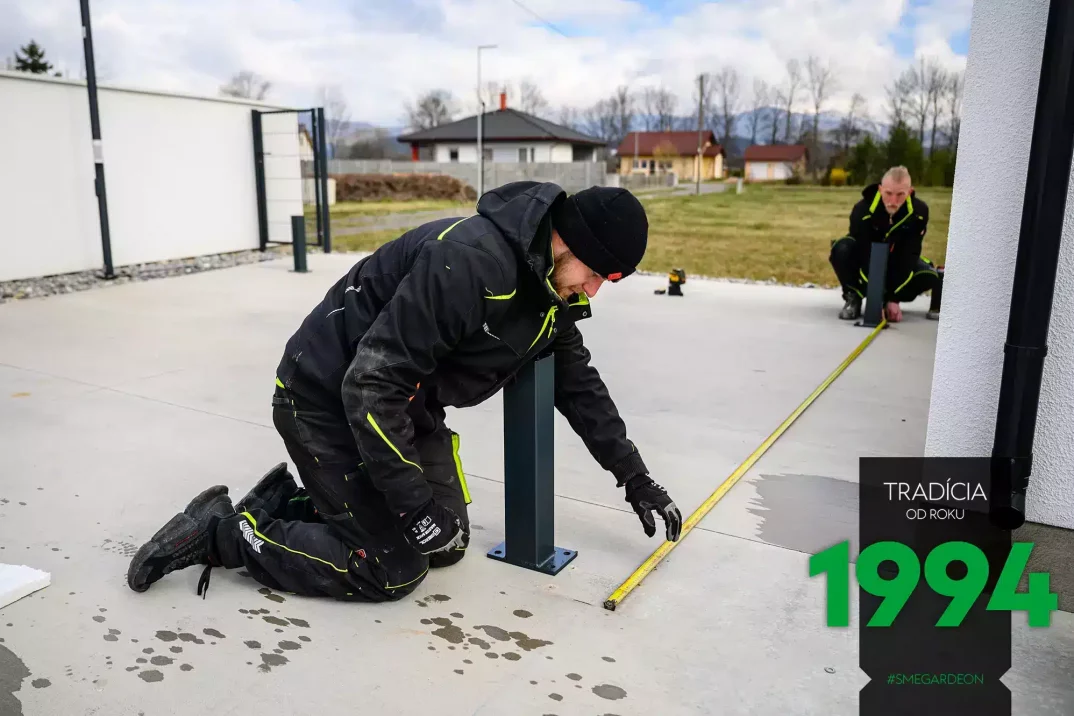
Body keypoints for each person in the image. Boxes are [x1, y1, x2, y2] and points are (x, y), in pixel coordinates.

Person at [126, 181, 684, 602]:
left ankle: (297, 500)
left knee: (448, 541)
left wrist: (636, 479)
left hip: (400, 404)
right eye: (599, 274)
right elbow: (369, 384)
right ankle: (222, 533)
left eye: (609, 283)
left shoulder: (551, 295)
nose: (594, 290)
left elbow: (581, 387)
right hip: (323, 396)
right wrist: (414, 509)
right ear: (568, 241)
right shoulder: (471, 263)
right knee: (391, 567)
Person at [829, 166, 940, 322]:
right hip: (867, 264)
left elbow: (909, 255)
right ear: (880, 189)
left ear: (909, 192)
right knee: (842, 248)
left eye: (900, 194)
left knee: (929, 276)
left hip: (897, 263)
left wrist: (892, 298)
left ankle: (892, 301)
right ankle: (853, 297)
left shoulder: (919, 213)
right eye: (888, 193)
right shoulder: (862, 210)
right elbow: (864, 254)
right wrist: (877, 302)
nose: (893, 201)